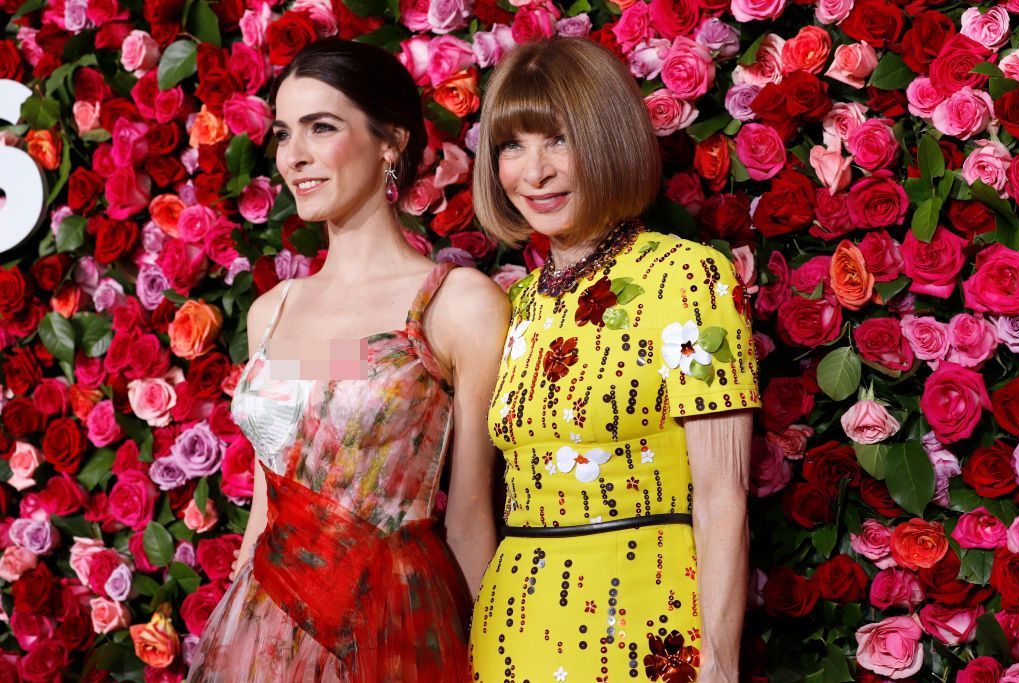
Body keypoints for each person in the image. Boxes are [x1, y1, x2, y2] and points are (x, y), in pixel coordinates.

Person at [189, 37, 508, 682]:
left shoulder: (454, 304)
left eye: (322, 127)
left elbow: (473, 516)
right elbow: (267, 501)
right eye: (283, 133)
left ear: (390, 141)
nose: (294, 156)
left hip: (389, 633)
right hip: (263, 631)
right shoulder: (272, 311)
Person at [468, 38, 761, 683]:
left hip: (646, 629)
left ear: (608, 140)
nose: (533, 172)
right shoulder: (511, 305)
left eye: (558, 140)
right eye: (511, 146)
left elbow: (723, 492)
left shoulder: (686, 277)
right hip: (510, 633)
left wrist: (719, 664)